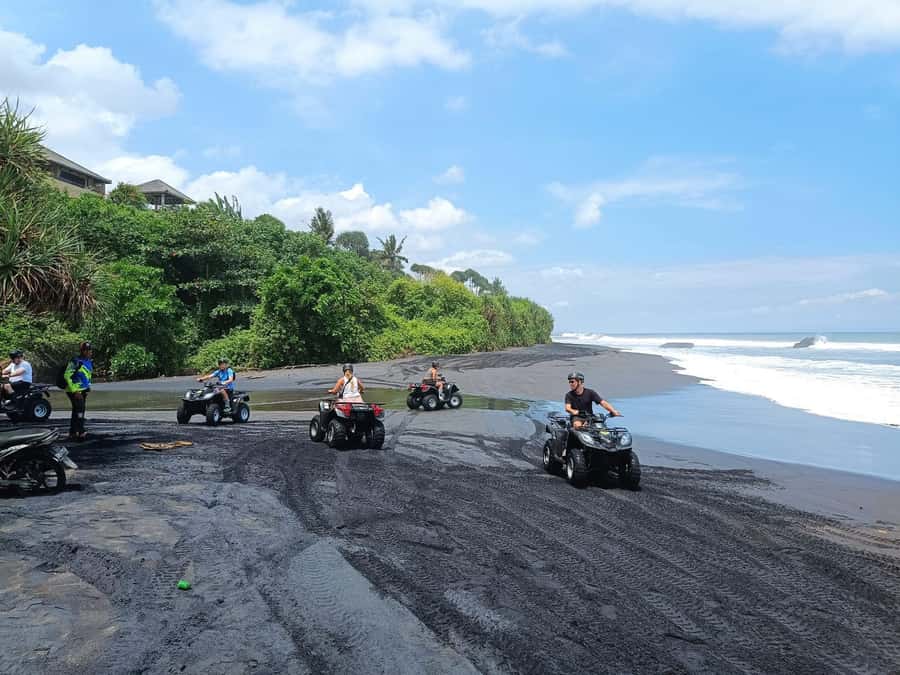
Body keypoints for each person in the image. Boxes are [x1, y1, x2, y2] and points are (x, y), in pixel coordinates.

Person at [63, 341, 94, 441]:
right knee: (79, 410)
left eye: (90, 350)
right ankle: (80, 431)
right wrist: (75, 391)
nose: (89, 352)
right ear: (83, 351)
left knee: (77, 410)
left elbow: (87, 375)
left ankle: (73, 431)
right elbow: (67, 375)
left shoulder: (88, 361)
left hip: (83, 390)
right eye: (87, 350)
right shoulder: (75, 361)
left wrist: (88, 386)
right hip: (75, 390)